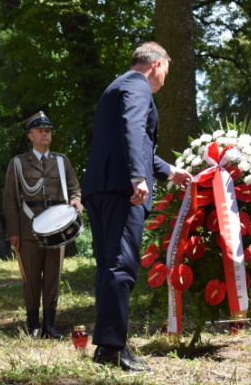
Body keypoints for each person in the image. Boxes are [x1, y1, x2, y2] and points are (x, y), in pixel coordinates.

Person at [82, 42, 192, 372]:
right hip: (123, 191)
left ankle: (106, 346)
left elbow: (133, 141)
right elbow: (132, 127)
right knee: (122, 266)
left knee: (107, 267)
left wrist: (169, 171)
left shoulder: (115, 87)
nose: (164, 81)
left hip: (101, 188)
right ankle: (113, 348)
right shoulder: (139, 86)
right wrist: (136, 175)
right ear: (157, 66)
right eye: (166, 74)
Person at [3, 111, 82, 339]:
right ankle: (33, 325)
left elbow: (75, 187)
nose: (45, 134)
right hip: (28, 228)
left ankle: (50, 324)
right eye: (40, 131)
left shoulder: (61, 160)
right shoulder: (18, 163)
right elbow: (10, 200)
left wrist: (76, 200)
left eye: (48, 131)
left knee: (52, 278)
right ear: (30, 136)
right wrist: (14, 233)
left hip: (58, 228)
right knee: (30, 279)